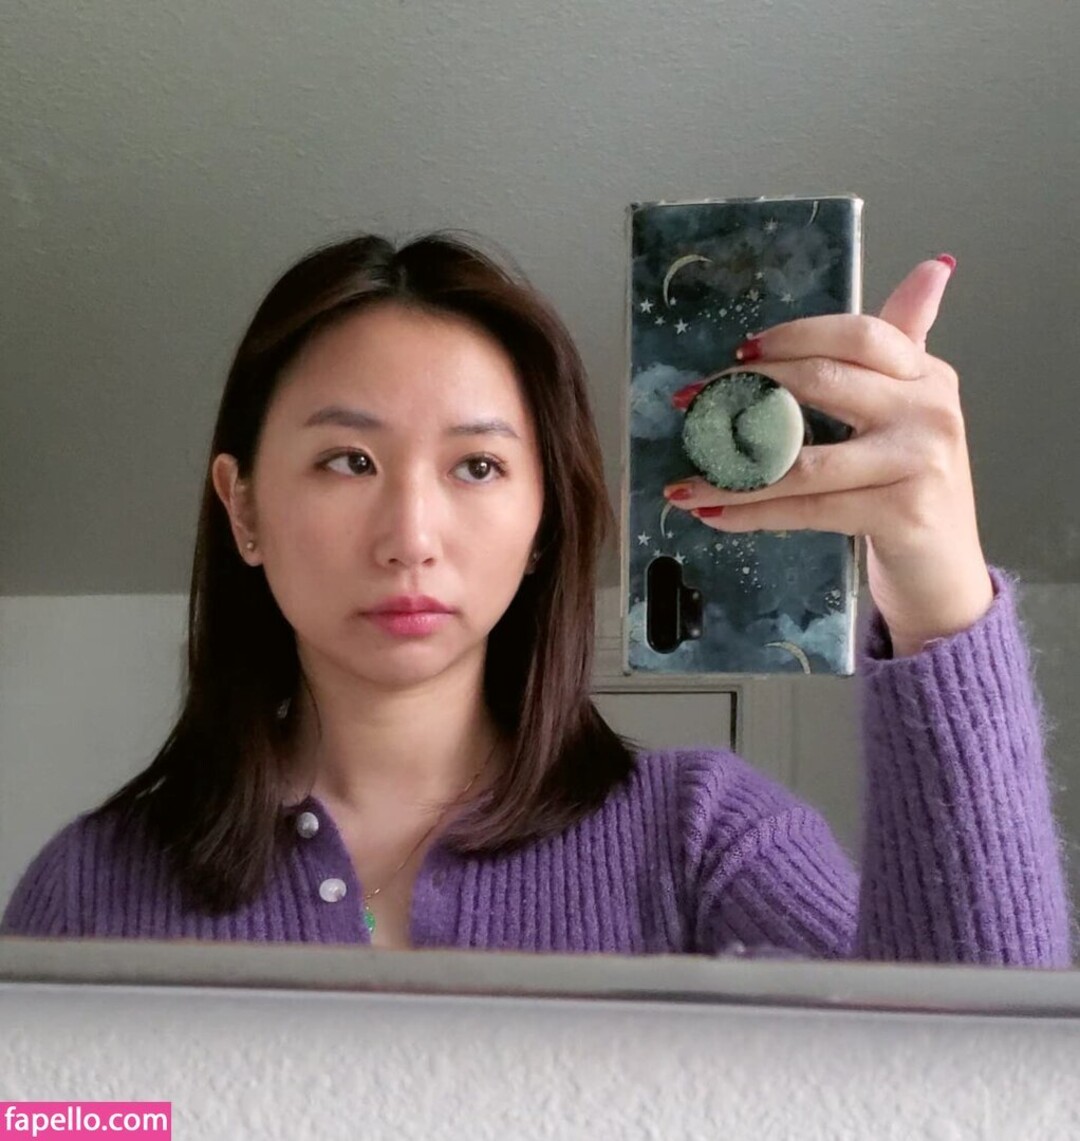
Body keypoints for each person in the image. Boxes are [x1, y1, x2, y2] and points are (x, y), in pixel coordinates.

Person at [2, 232, 1072, 964]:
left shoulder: (703, 843)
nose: (410, 537)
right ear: (243, 508)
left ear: (543, 523)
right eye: (347, 461)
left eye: (476, 466)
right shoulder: (84, 895)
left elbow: (977, 1091)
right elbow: (77, 1118)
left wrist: (937, 591)